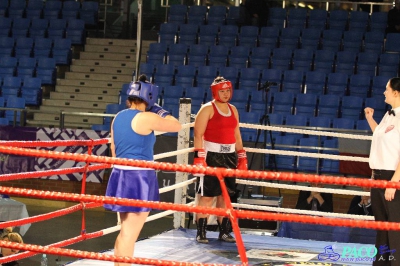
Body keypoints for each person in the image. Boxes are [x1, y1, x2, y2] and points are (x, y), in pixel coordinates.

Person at [103, 79, 182, 266]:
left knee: (125, 232)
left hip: (120, 174)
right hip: (138, 177)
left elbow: (114, 149)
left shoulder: (118, 117)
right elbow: (177, 125)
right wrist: (160, 111)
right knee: (129, 234)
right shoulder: (147, 117)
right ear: (150, 97)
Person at [193, 76, 248, 244]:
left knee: (226, 197)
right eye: (222, 91)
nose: (226, 94)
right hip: (211, 156)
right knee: (207, 197)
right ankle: (201, 232)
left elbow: (236, 135)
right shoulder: (207, 109)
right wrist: (199, 157)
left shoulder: (234, 110)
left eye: (228, 91)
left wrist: (242, 155)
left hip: (230, 156)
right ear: (216, 92)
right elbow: (198, 134)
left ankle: (224, 232)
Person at [365, 77, 400, 265]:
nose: (384, 92)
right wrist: (370, 119)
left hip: (392, 177)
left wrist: (394, 182)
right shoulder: (389, 114)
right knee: (381, 225)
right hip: (378, 176)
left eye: (387, 89)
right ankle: (381, 263)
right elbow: (379, 136)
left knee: (394, 227)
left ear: (396, 92)